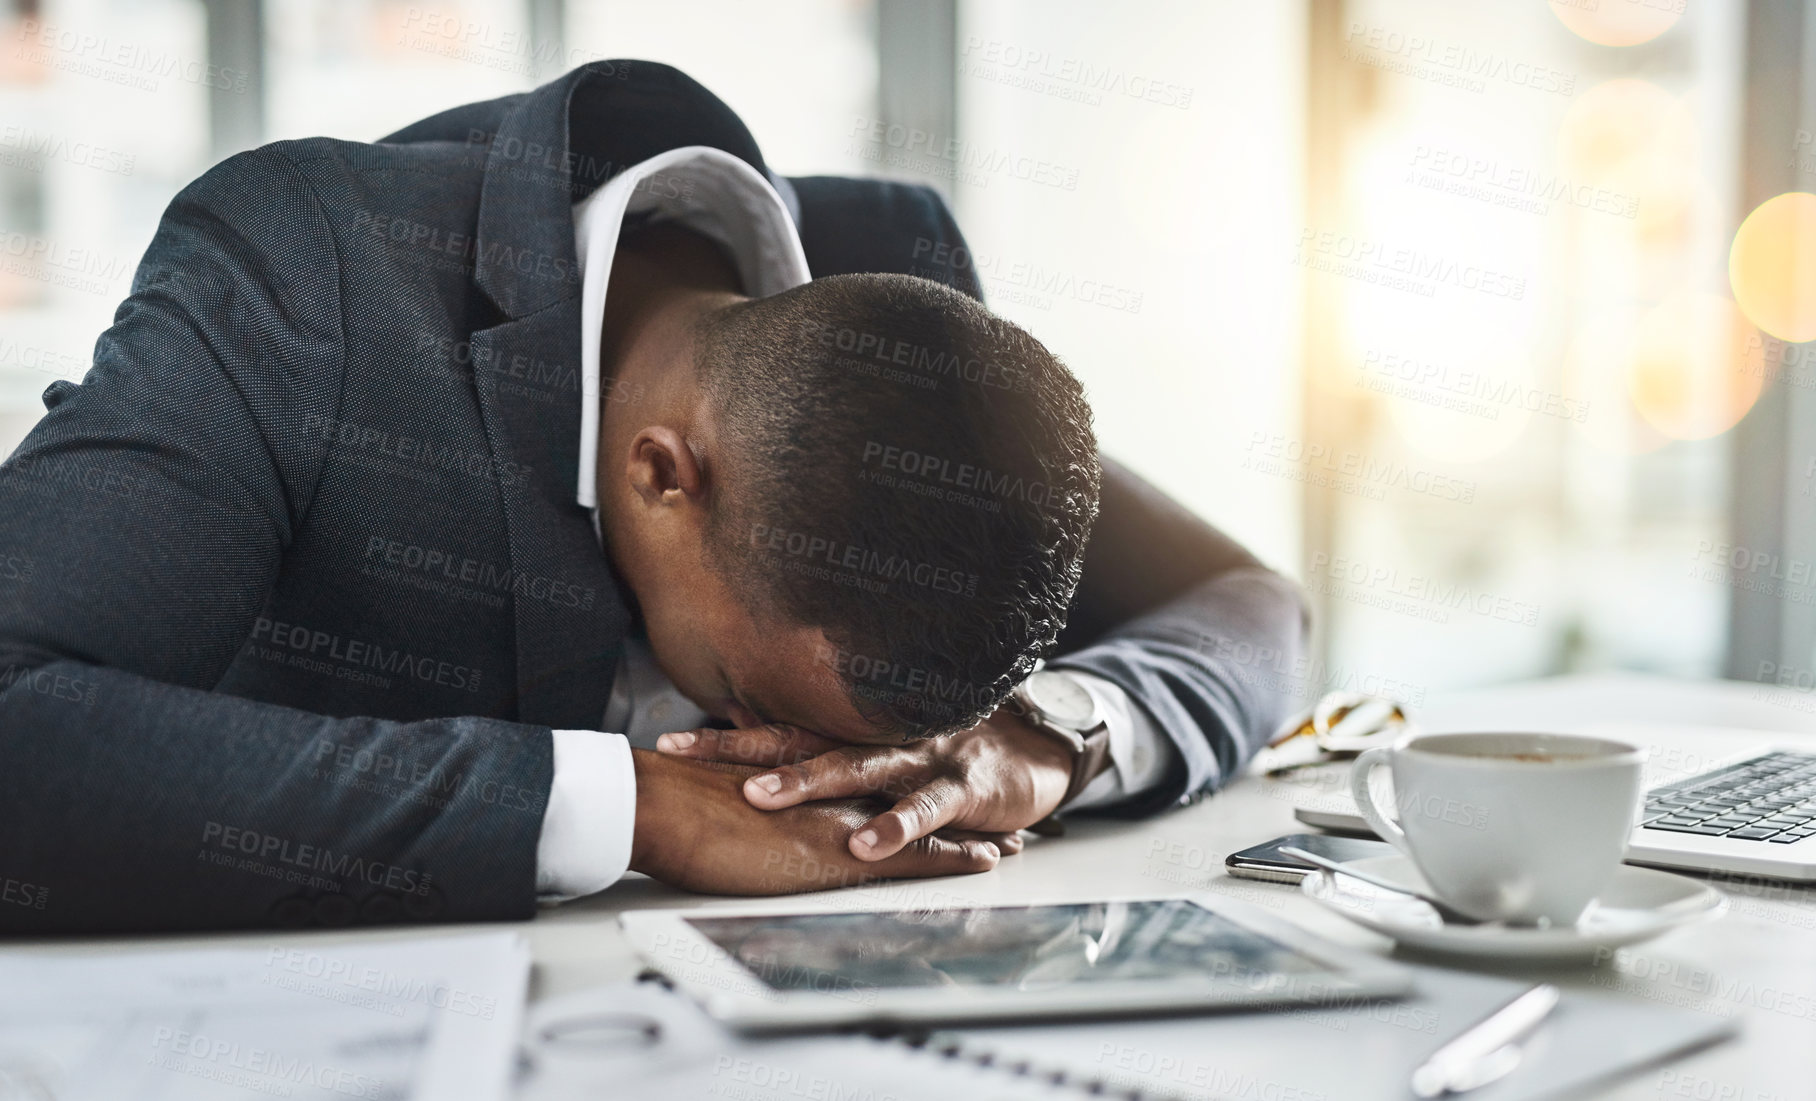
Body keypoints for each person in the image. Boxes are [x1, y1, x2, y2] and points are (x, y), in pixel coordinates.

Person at [0, 61, 1306, 933]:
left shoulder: (896, 308)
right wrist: (628, 805)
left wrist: (1049, 734)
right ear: (663, 477)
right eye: (763, 702)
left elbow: (1248, 599)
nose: (797, 764)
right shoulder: (310, 275)